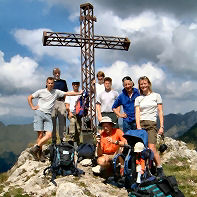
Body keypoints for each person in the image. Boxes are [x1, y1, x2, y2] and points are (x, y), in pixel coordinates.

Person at [28, 77, 82, 161]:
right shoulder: (41, 91)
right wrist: (32, 106)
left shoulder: (56, 92)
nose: (50, 84)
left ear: (54, 84)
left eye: (52, 83)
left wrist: (79, 93)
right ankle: (40, 154)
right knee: (40, 135)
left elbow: (67, 93)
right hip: (39, 113)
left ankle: (35, 148)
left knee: (48, 135)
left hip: (48, 115)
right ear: (46, 83)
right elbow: (30, 97)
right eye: (49, 83)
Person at [135, 76, 164, 177]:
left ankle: (159, 168)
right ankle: (144, 169)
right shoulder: (138, 98)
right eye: (141, 84)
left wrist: (162, 126)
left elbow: (160, 111)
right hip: (141, 124)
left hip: (152, 124)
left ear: (149, 84)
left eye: (145, 83)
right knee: (140, 149)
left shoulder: (156, 96)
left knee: (152, 148)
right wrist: (138, 125)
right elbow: (137, 112)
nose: (143, 85)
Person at [51, 68, 68, 144]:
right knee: (52, 121)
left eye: (58, 73)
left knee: (62, 121)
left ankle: (62, 139)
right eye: (55, 73)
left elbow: (66, 93)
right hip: (53, 103)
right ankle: (53, 140)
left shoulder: (63, 82)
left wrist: (65, 103)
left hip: (61, 102)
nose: (57, 74)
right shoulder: (50, 82)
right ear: (53, 74)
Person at [65, 80, 82, 145]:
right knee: (72, 124)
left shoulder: (81, 94)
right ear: (72, 85)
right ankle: (70, 141)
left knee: (78, 129)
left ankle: (77, 143)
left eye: (77, 84)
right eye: (74, 84)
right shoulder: (69, 94)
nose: (75, 85)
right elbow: (67, 105)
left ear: (79, 85)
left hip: (79, 114)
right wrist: (69, 112)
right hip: (71, 112)